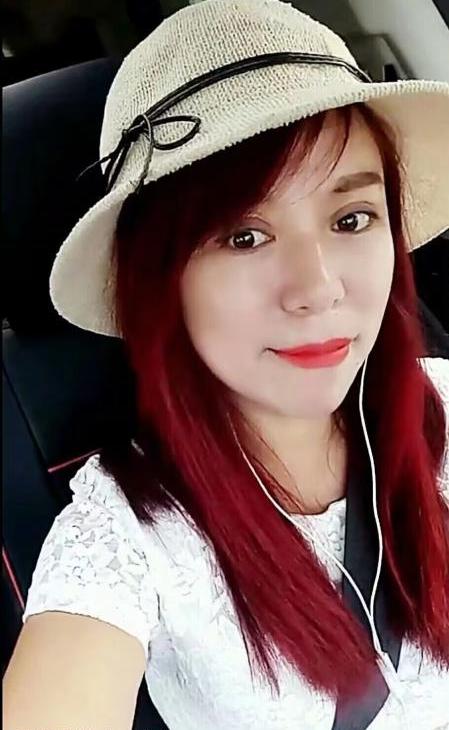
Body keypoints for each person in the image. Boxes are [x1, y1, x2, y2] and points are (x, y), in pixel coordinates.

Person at [4, 1, 449, 729]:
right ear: (160, 280)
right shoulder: (126, 533)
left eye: (351, 220)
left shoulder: (443, 407)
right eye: (244, 236)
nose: (317, 289)